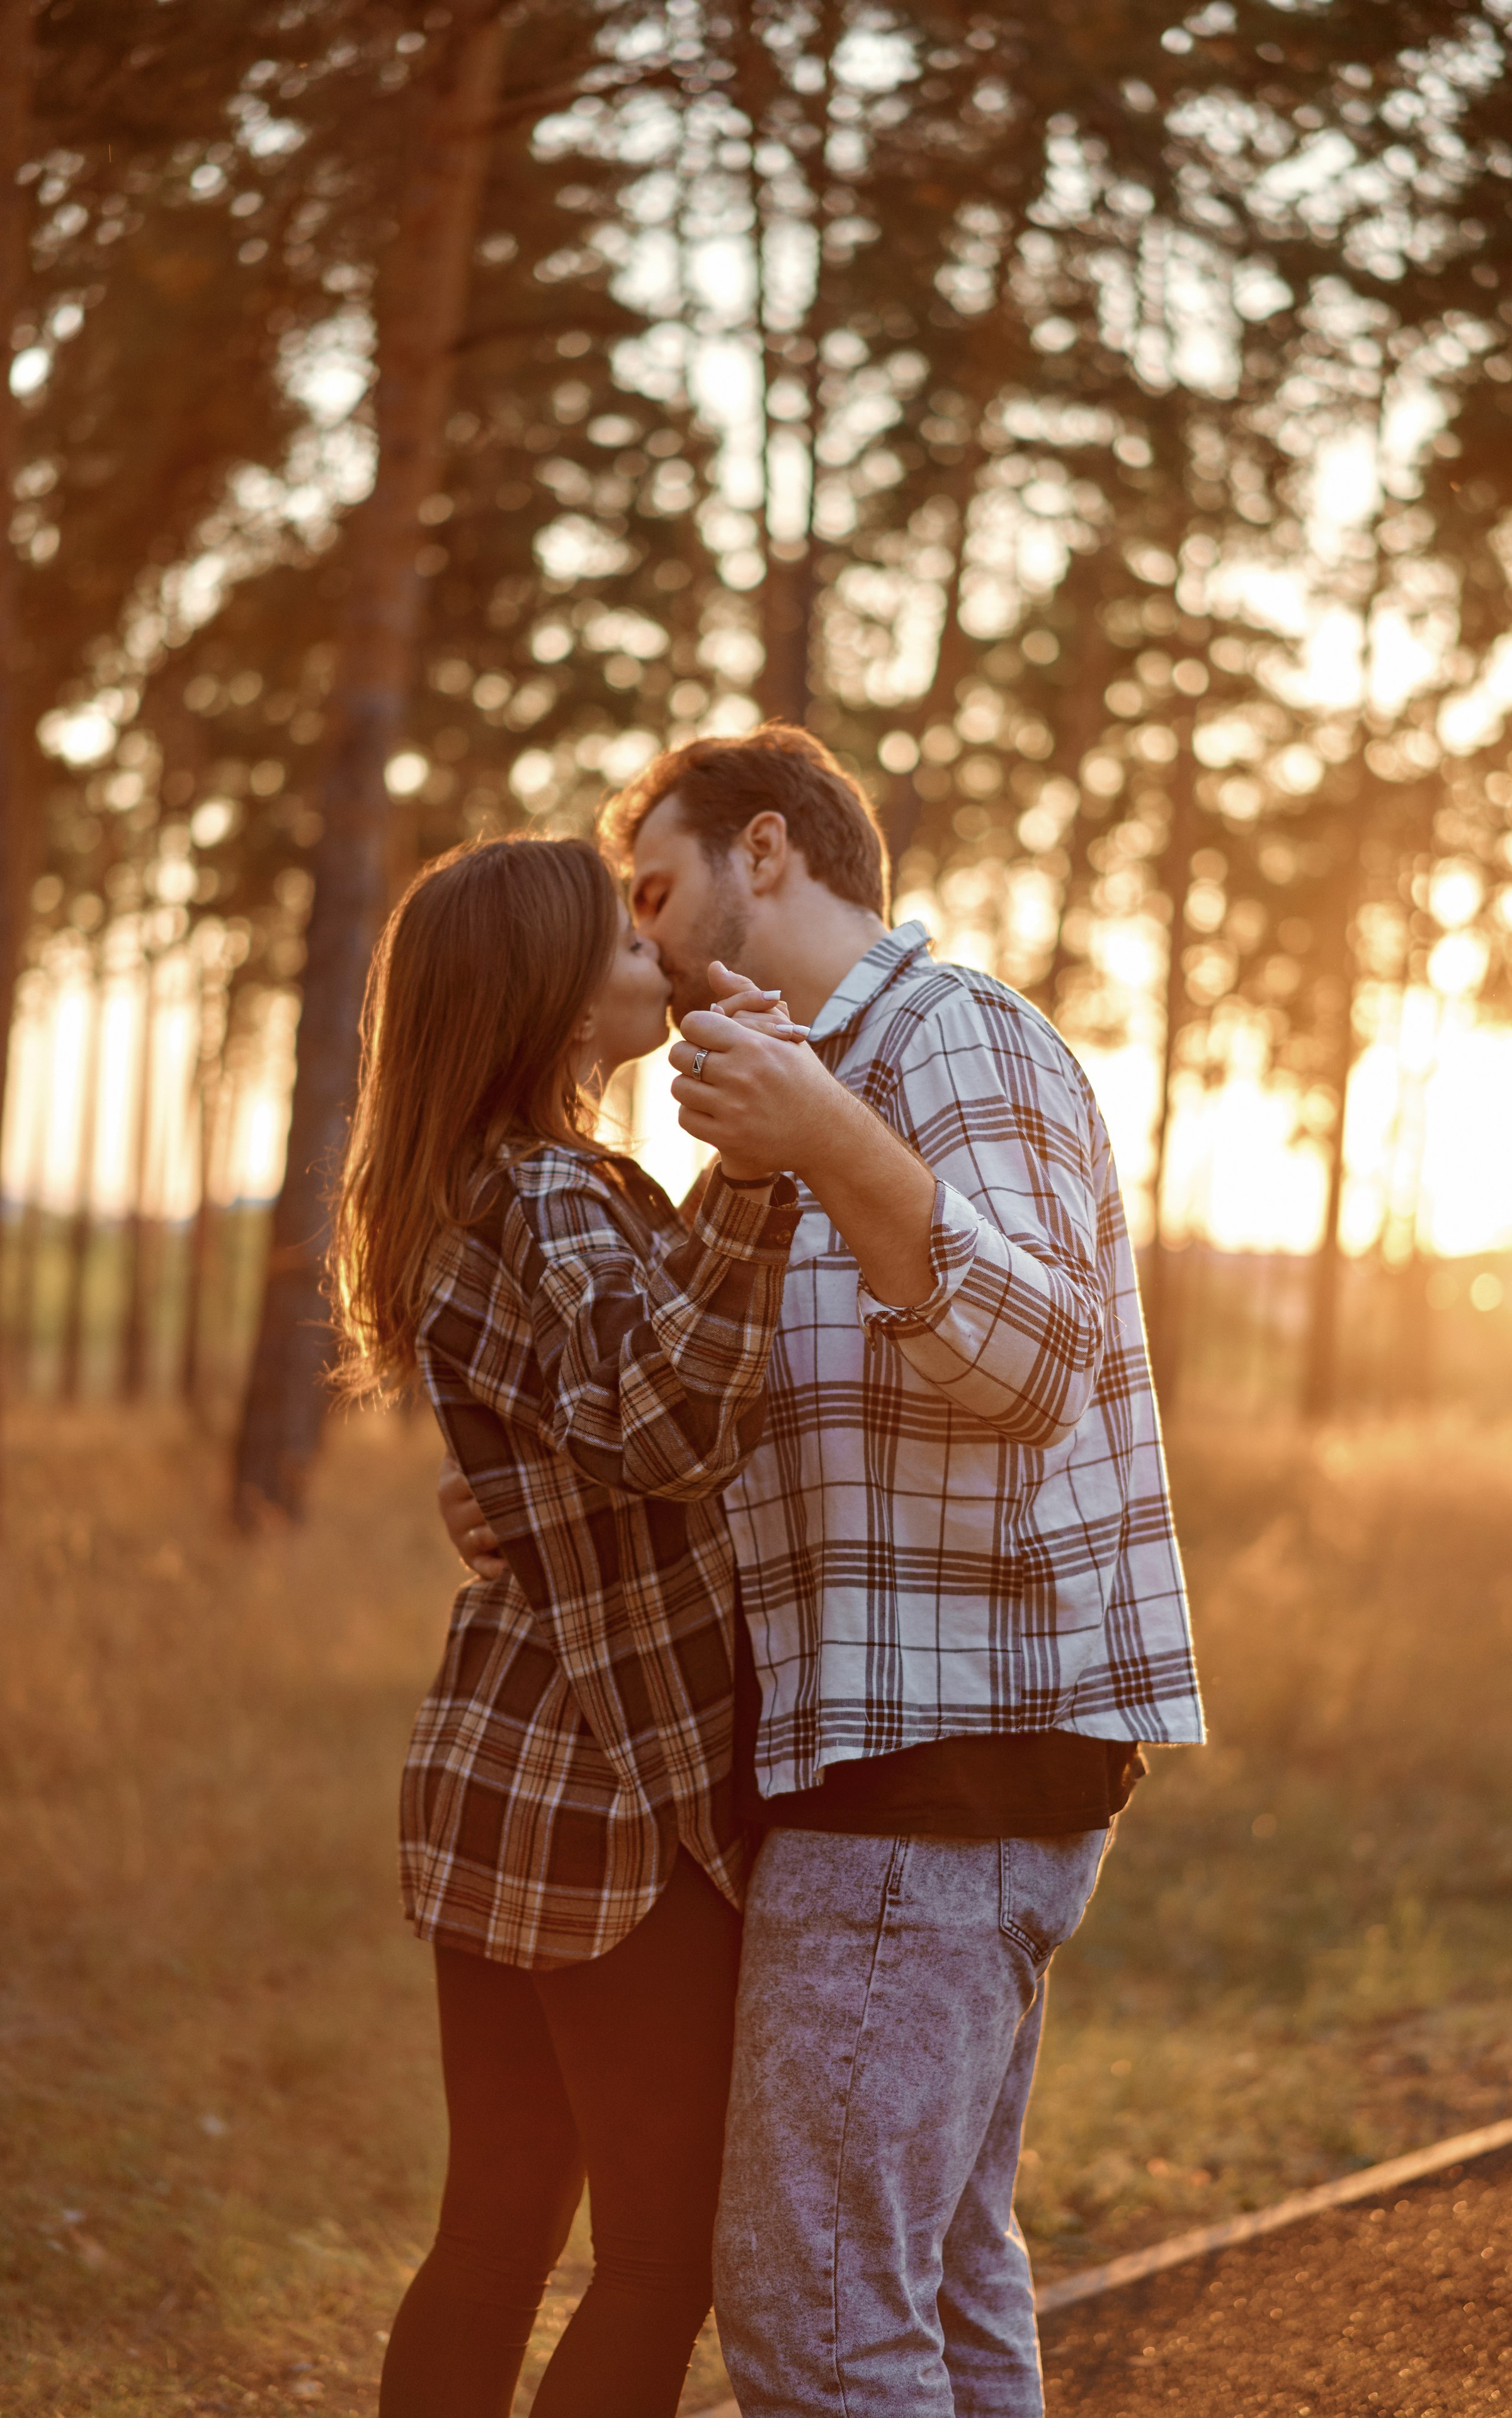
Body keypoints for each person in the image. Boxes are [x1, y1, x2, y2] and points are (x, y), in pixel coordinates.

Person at [440, 726, 1207, 2418]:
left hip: (935, 1771)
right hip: (884, 1767)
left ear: (765, 854)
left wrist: (830, 1141)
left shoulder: (947, 1044)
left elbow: (1030, 1369)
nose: (631, 941)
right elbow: (741, 1433)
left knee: (813, 2321)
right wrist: (517, 1498)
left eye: (651, 894)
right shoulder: (775, 1111)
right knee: (935, 2279)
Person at [328, 831, 809, 2418]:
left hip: (494, 1763)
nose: (653, 961)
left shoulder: (461, 1190)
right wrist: (757, 1174)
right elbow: (670, 1431)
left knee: (494, 2234)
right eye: (620, 942)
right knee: (663, 2259)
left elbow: (581, 1453)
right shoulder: (555, 1190)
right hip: (607, 1795)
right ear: (544, 997)